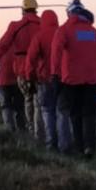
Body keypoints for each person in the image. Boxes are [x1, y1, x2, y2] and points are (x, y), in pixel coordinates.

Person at [51, 5, 96, 157]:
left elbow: (56, 52)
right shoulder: (93, 32)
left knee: (75, 114)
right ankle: (90, 147)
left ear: (69, 14)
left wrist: (55, 74)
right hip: (92, 80)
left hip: (71, 80)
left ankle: (79, 147)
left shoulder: (64, 30)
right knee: (89, 114)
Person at [0, 0, 42, 132]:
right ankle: (36, 133)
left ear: (22, 10)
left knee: (20, 103)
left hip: (21, 73)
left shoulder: (15, 27)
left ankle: (17, 131)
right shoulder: (44, 25)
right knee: (39, 105)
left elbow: (0, 47)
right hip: (42, 72)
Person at [25, 9, 61, 149]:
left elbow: (30, 59)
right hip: (62, 80)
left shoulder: (39, 36)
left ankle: (50, 143)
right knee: (62, 112)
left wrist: (29, 78)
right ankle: (64, 142)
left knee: (47, 111)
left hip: (44, 79)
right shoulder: (62, 33)